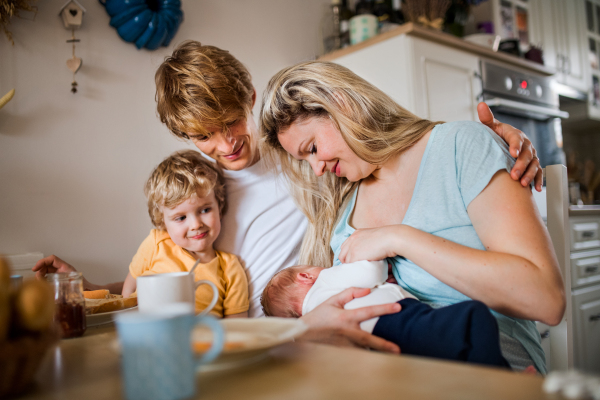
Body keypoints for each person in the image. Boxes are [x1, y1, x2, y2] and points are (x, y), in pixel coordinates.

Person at [34, 41, 545, 351]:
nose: (225, 143)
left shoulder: (308, 163)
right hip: (234, 344)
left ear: (250, 96)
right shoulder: (197, 195)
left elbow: (388, 145)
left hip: (298, 337)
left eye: (232, 121)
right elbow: (156, 274)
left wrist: (504, 142)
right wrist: (77, 289)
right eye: (203, 136)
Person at [258, 60, 565, 373]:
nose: (317, 168)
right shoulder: (342, 215)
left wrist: (398, 237)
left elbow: (546, 300)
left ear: (340, 104)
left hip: (488, 373)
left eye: (312, 148)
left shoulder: (461, 146)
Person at [261, 260, 510, 368]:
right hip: (395, 322)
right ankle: (504, 383)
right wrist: (374, 258)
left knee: (452, 354)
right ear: (305, 277)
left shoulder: (316, 325)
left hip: (379, 348)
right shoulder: (324, 280)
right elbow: (370, 271)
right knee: (473, 317)